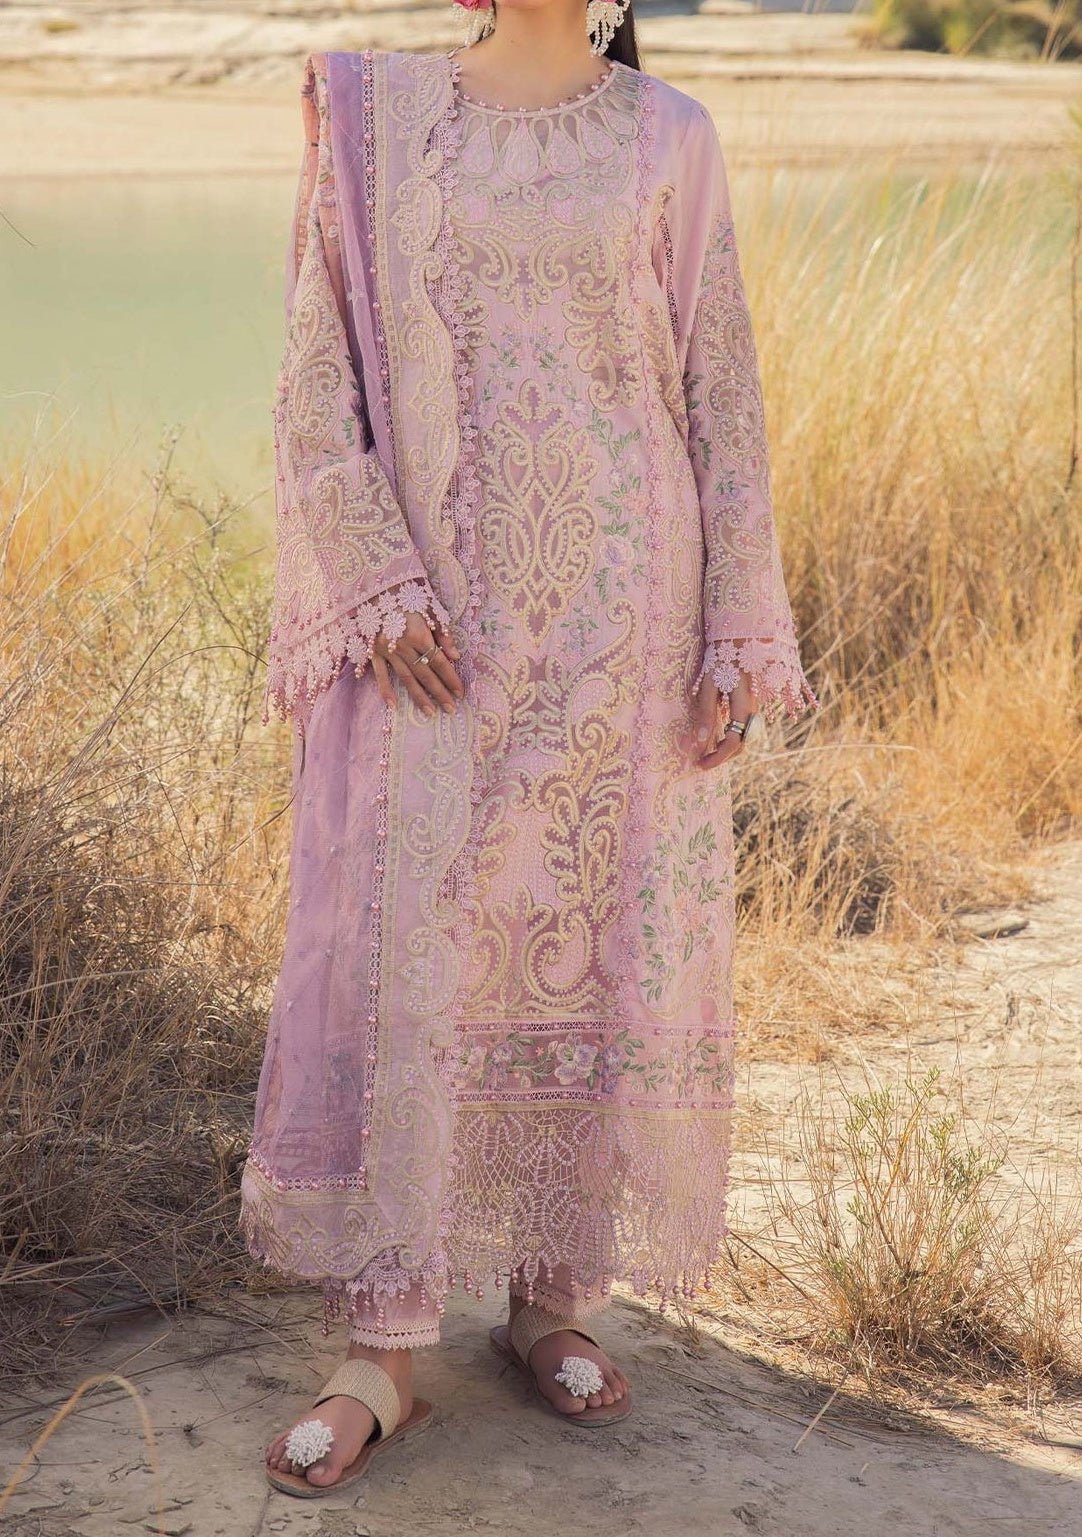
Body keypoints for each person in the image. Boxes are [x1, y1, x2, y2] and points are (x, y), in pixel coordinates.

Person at [242, 0, 818, 1497]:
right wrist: (375, 579)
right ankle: (381, 1349)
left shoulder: (671, 133)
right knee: (417, 951)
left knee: (592, 948)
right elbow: (315, 373)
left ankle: (552, 1297)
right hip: (438, 626)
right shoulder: (378, 117)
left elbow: (721, 385)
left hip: (625, 629)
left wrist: (734, 627)